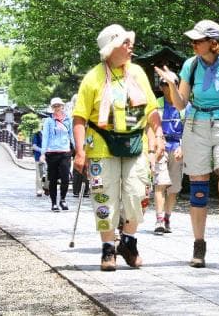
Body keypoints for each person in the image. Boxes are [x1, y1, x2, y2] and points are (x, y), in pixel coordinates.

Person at [155, 19, 219, 269]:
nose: (193, 44)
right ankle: (199, 244)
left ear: (213, 43)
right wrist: (172, 84)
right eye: (192, 40)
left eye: (198, 40)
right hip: (196, 126)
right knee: (199, 187)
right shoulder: (190, 65)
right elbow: (181, 104)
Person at [72, 24, 164, 271]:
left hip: (136, 143)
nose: (130, 46)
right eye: (125, 43)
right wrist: (80, 151)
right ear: (111, 48)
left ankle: (128, 241)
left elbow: (151, 109)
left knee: (138, 194)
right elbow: (79, 118)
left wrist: (158, 133)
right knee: (104, 197)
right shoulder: (93, 78)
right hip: (101, 145)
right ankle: (107, 248)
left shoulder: (138, 73)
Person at [151, 72, 185, 235]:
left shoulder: (184, 105)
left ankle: (167, 218)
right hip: (161, 146)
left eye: (171, 83)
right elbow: (150, 127)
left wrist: (183, 146)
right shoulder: (156, 104)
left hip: (178, 147)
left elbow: (190, 129)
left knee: (174, 187)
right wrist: (154, 147)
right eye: (164, 84)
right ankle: (159, 219)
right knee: (160, 183)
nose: (167, 87)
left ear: (177, 85)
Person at [40, 97, 75, 212]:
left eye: (58, 105)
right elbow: (45, 137)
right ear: (52, 108)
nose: (57, 108)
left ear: (62, 106)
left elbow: (72, 135)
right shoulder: (48, 121)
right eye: (54, 106)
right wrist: (43, 153)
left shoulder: (68, 120)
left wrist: (77, 149)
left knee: (65, 178)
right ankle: (54, 203)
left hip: (65, 151)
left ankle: (63, 199)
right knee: (53, 179)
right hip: (52, 152)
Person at [31, 127, 48, 197]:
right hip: (38, 157)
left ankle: (46, 187)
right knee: (39, 174)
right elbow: (34, 146)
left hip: (49, 157)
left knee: (49, 173)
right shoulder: (37, 134)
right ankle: (39, 190)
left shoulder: (51, 135)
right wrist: (42, 150)